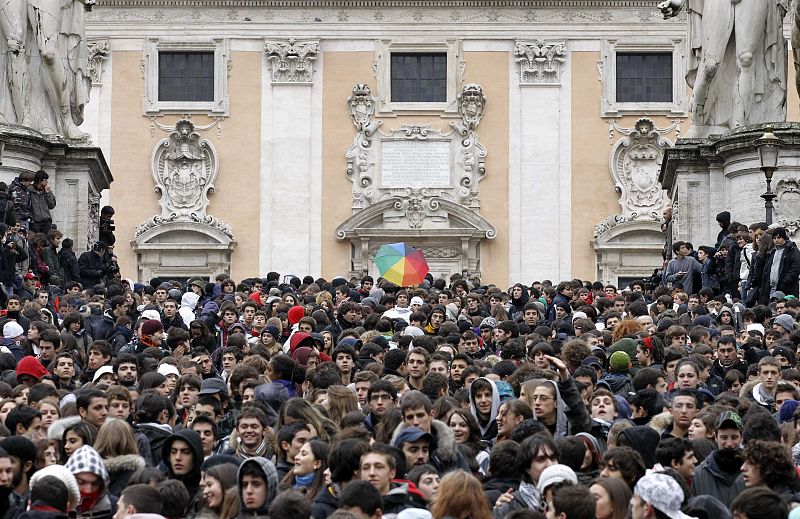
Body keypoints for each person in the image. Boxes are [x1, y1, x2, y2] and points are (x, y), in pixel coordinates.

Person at [691, 410, 745, 507]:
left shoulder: (753, 473)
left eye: (734, 437)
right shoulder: (698, 475)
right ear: (715, 437)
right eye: (724, 438)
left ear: (741, 438)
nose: (729, 444)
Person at [64, 445, 113, 519]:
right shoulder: (55, 506)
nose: (88, 490)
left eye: (95, 484)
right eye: (81, 482)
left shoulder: (114, 508)